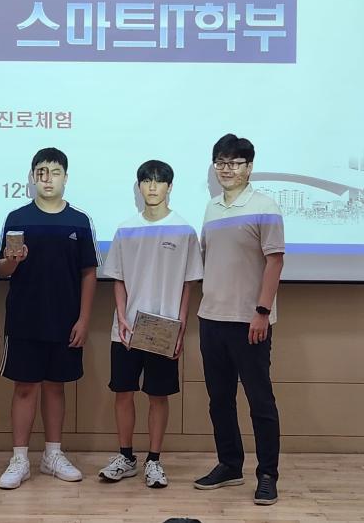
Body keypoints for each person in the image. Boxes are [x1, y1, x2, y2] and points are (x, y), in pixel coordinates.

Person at [0, 147, 99, 489]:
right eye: (41, 172)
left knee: (56, 387)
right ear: (32, 177)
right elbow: (2, 269)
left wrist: (84, 319)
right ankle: (20, 459)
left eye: (54, 172)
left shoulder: (79, 220)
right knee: (25, 387)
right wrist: (13, 260)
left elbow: (88, 272)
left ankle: (52, 455)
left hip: (65, 321)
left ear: (65, 177)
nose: (47, 178)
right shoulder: (17, 218)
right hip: (24, 319)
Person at [193, 134, 285, 506]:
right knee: (219, 400)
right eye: (220, 162)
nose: (226, 169)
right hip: (211, 317)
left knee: (260, 401)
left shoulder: (265, 206)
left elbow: (275, 261)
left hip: (250, 321)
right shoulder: (211, 208)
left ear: (249, 167)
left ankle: (268, 475)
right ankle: (230, 465)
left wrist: (261, 311)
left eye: (234, 162)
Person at [98, 160, 203, 488]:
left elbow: (188, 284)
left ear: (170, 187)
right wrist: (122, 316)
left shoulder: (184, 230)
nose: (152, 187)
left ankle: (154, 461)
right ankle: (126, 457)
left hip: (164, 328)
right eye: (146, 181)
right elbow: (118, 278)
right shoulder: (125, 229)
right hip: (127, 328)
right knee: (123, 392)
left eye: (159, 182)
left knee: (158, 395)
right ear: (139, 186)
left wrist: (181, 325)